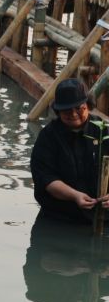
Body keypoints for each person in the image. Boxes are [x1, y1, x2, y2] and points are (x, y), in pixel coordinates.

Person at [30, 79, 109, 223]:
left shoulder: (103, 131)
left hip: (103, 218)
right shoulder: (48, 136)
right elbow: (45, 177)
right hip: (59, 218)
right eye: (66, 110)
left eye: (79, 108)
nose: (73, 114)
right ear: (58, 111)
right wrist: (74, 195)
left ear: (88, 105)